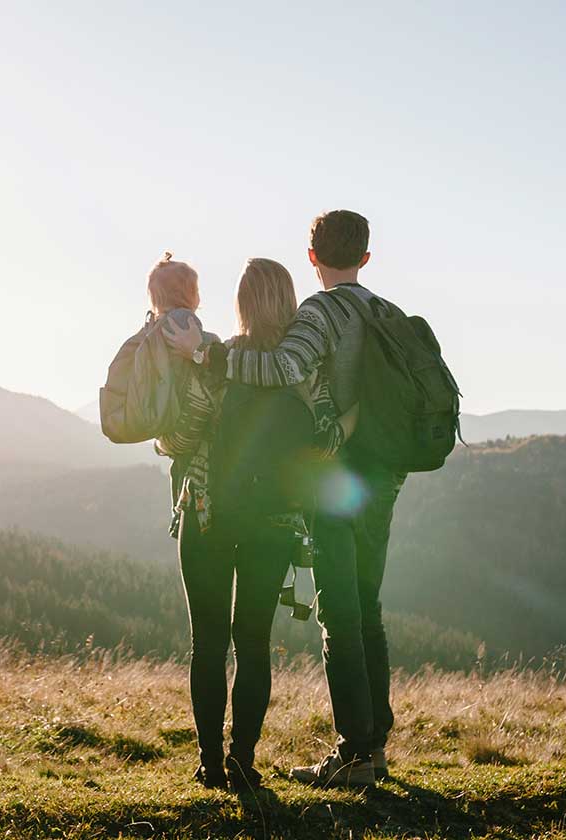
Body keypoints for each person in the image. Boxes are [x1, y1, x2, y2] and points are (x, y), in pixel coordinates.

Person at [165, 210, 402, 788]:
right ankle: (256, 760)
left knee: (216, 642)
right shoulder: (339, 350)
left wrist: (198, 366)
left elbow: (180, 435)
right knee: (263, 640)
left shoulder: (236, 357)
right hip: (301, 510)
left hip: (213, 513)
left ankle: (215, 764)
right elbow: (320, 429)